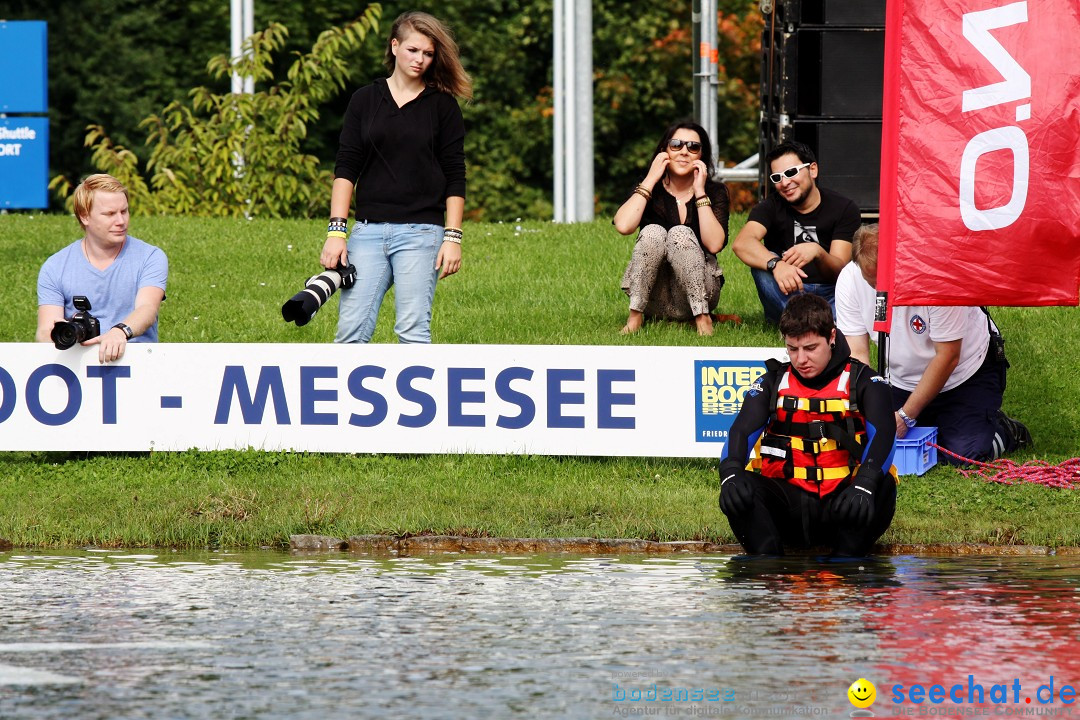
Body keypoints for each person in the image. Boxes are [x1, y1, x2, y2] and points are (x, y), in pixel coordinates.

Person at [319, 11, 470, 344]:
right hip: (367, 233)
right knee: (350, 333)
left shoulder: (443, 106)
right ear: (395, 45)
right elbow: (346, 168)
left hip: (421, 233)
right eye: (413, 50)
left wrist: (453, 237)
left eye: (428, 54)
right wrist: (336, 232)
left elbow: (455, 174)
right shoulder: (364, 99)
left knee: (412, 331)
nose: (420, 60)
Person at [835, 223, 1031, 463]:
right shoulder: (849, 281)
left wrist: (906, 417)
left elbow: (947, 356)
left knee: (964, 454)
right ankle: (939, 421)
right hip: (902, 379)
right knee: (871, 441)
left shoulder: (939, 276)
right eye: (872, 282)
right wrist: (867, 404)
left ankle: (1005, 429)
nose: (881, 289)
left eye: (886, 279)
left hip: (964, 374)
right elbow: (857, 352)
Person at [718, 293, 897, 556]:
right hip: (789, 508)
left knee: (883, 486)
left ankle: (846, 569)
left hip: (848, 504)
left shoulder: (866, 383)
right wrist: (730, 472)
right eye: (793, 349)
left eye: (811, 348)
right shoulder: (772, 383)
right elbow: (741, 430)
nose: (801, 359)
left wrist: (865, 482)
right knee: (739, 482)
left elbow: (885, 434)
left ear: (832, 337)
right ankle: (766, 570)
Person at [613, 121, 738, 336]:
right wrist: (651, 178)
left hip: (700, 294)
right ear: (664, 151)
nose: (684, 152)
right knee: (653, 231)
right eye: (676, 145)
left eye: (693, 147)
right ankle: (635, 317)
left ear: (702, 155)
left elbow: (715, 244)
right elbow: (624, 226)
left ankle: (702, 319)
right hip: (654, 294)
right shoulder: (649, 186)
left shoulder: (714, 192)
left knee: (680, 233)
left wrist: (700, 192)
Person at [36, 174, 168, 363]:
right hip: (76, 366)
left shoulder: (150, 257)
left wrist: (120, 332)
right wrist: (61, 332)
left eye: (124, 211)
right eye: (110, 214)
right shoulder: (55, 267)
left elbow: (147, 308)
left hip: (138, 363)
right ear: (85, 216)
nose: (121, 221)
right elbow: (44, 331)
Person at [732, 141, 861, 324]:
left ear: (813, 170)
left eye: (791, 173)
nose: (785, 183)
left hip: (831, 293)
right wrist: (777, 265)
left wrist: (817, 252)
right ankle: (809, 322)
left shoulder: (844, 208)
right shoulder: (770, 206)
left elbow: (839, 271)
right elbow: (742, 244)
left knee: (856, 275)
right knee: (761, 268)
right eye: (777, 178)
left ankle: (799, 323)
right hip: (788, 291)